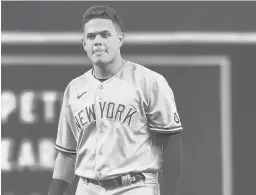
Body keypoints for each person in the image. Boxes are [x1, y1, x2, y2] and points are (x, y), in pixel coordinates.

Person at [48, 5, 183, 195]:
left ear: (120, 39)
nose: (97, 42)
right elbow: (67, 154)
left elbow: (171, 141)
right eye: (91, 36)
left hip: (135, 186)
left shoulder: (149, 81)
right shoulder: (74, 89)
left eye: (105, 35)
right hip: (87, 188)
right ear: (84, 43)